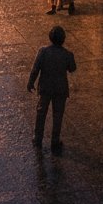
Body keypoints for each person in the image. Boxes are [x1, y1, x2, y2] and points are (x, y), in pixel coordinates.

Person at [27, 25, 77, 154]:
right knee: (58, 114)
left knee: (41, 113)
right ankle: (55, 140)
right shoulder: (67, 54)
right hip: (60, 89)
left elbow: (35, 68)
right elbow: (72, 68)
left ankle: (38, 138)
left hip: (45, 87)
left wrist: (31, 82)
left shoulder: (43, 51)